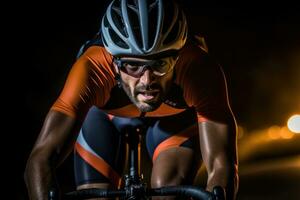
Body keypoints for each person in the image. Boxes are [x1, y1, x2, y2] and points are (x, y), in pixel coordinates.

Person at [24, 0, 239, 199]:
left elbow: (222, 165)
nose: (146, 80)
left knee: (167, 188)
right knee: (95, 195)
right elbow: (40, 159)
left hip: (174, 121)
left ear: (177, 58)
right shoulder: (92, 68)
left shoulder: (199, 70)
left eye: (160, 64)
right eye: (133, 65)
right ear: (114, 63)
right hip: (105, 118)